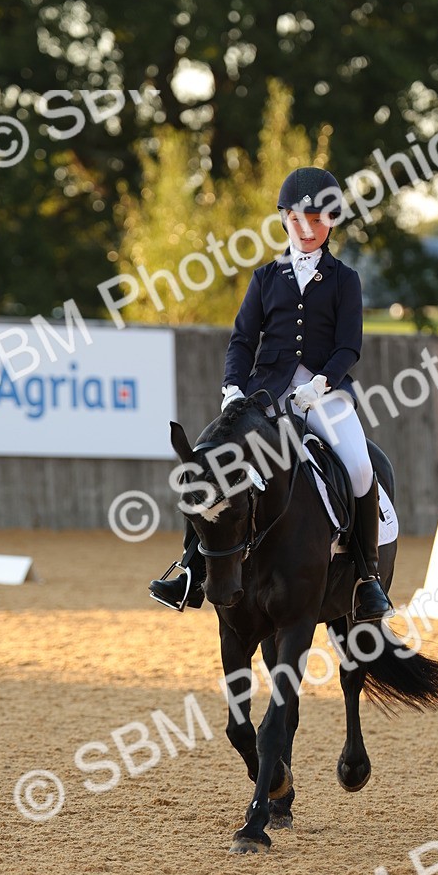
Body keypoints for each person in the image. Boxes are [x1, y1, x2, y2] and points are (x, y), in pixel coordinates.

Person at [149, 166, 394, 622]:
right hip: (266, 396)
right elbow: (243, 340)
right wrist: (232, 389)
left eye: (317, 220)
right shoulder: (265, 277)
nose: (307, 229)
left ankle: (366, 577)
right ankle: (188, 568)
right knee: (208, 457)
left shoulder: (345, 279)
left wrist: (321, 382)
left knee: (361, 467)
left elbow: (349, 346)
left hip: (327, 392)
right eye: (298, 219)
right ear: (283, 218)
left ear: (333, 222)